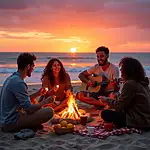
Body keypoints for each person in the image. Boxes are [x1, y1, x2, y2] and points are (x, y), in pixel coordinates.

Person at [0, 53, 54, 132]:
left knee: (34, 103)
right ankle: (27, 124)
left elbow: (23, 102)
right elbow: (29, 108)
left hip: (5, 119)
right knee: (49, 111)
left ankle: (30, 123)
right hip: (10, 123)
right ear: (28, 66)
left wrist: (38, 94)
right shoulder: (19, 83)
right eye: (33, 66)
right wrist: (46, 101)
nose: (33, 68)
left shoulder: (12, 78)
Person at [100, 57, 150, 129]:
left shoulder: (130, 84)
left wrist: (106, 100)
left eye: (122, 68)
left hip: (138, 120)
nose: (120, 70)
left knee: (105, 113)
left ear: (128, 70)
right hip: (146, 118)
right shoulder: (143, 82)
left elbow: (119, 106)